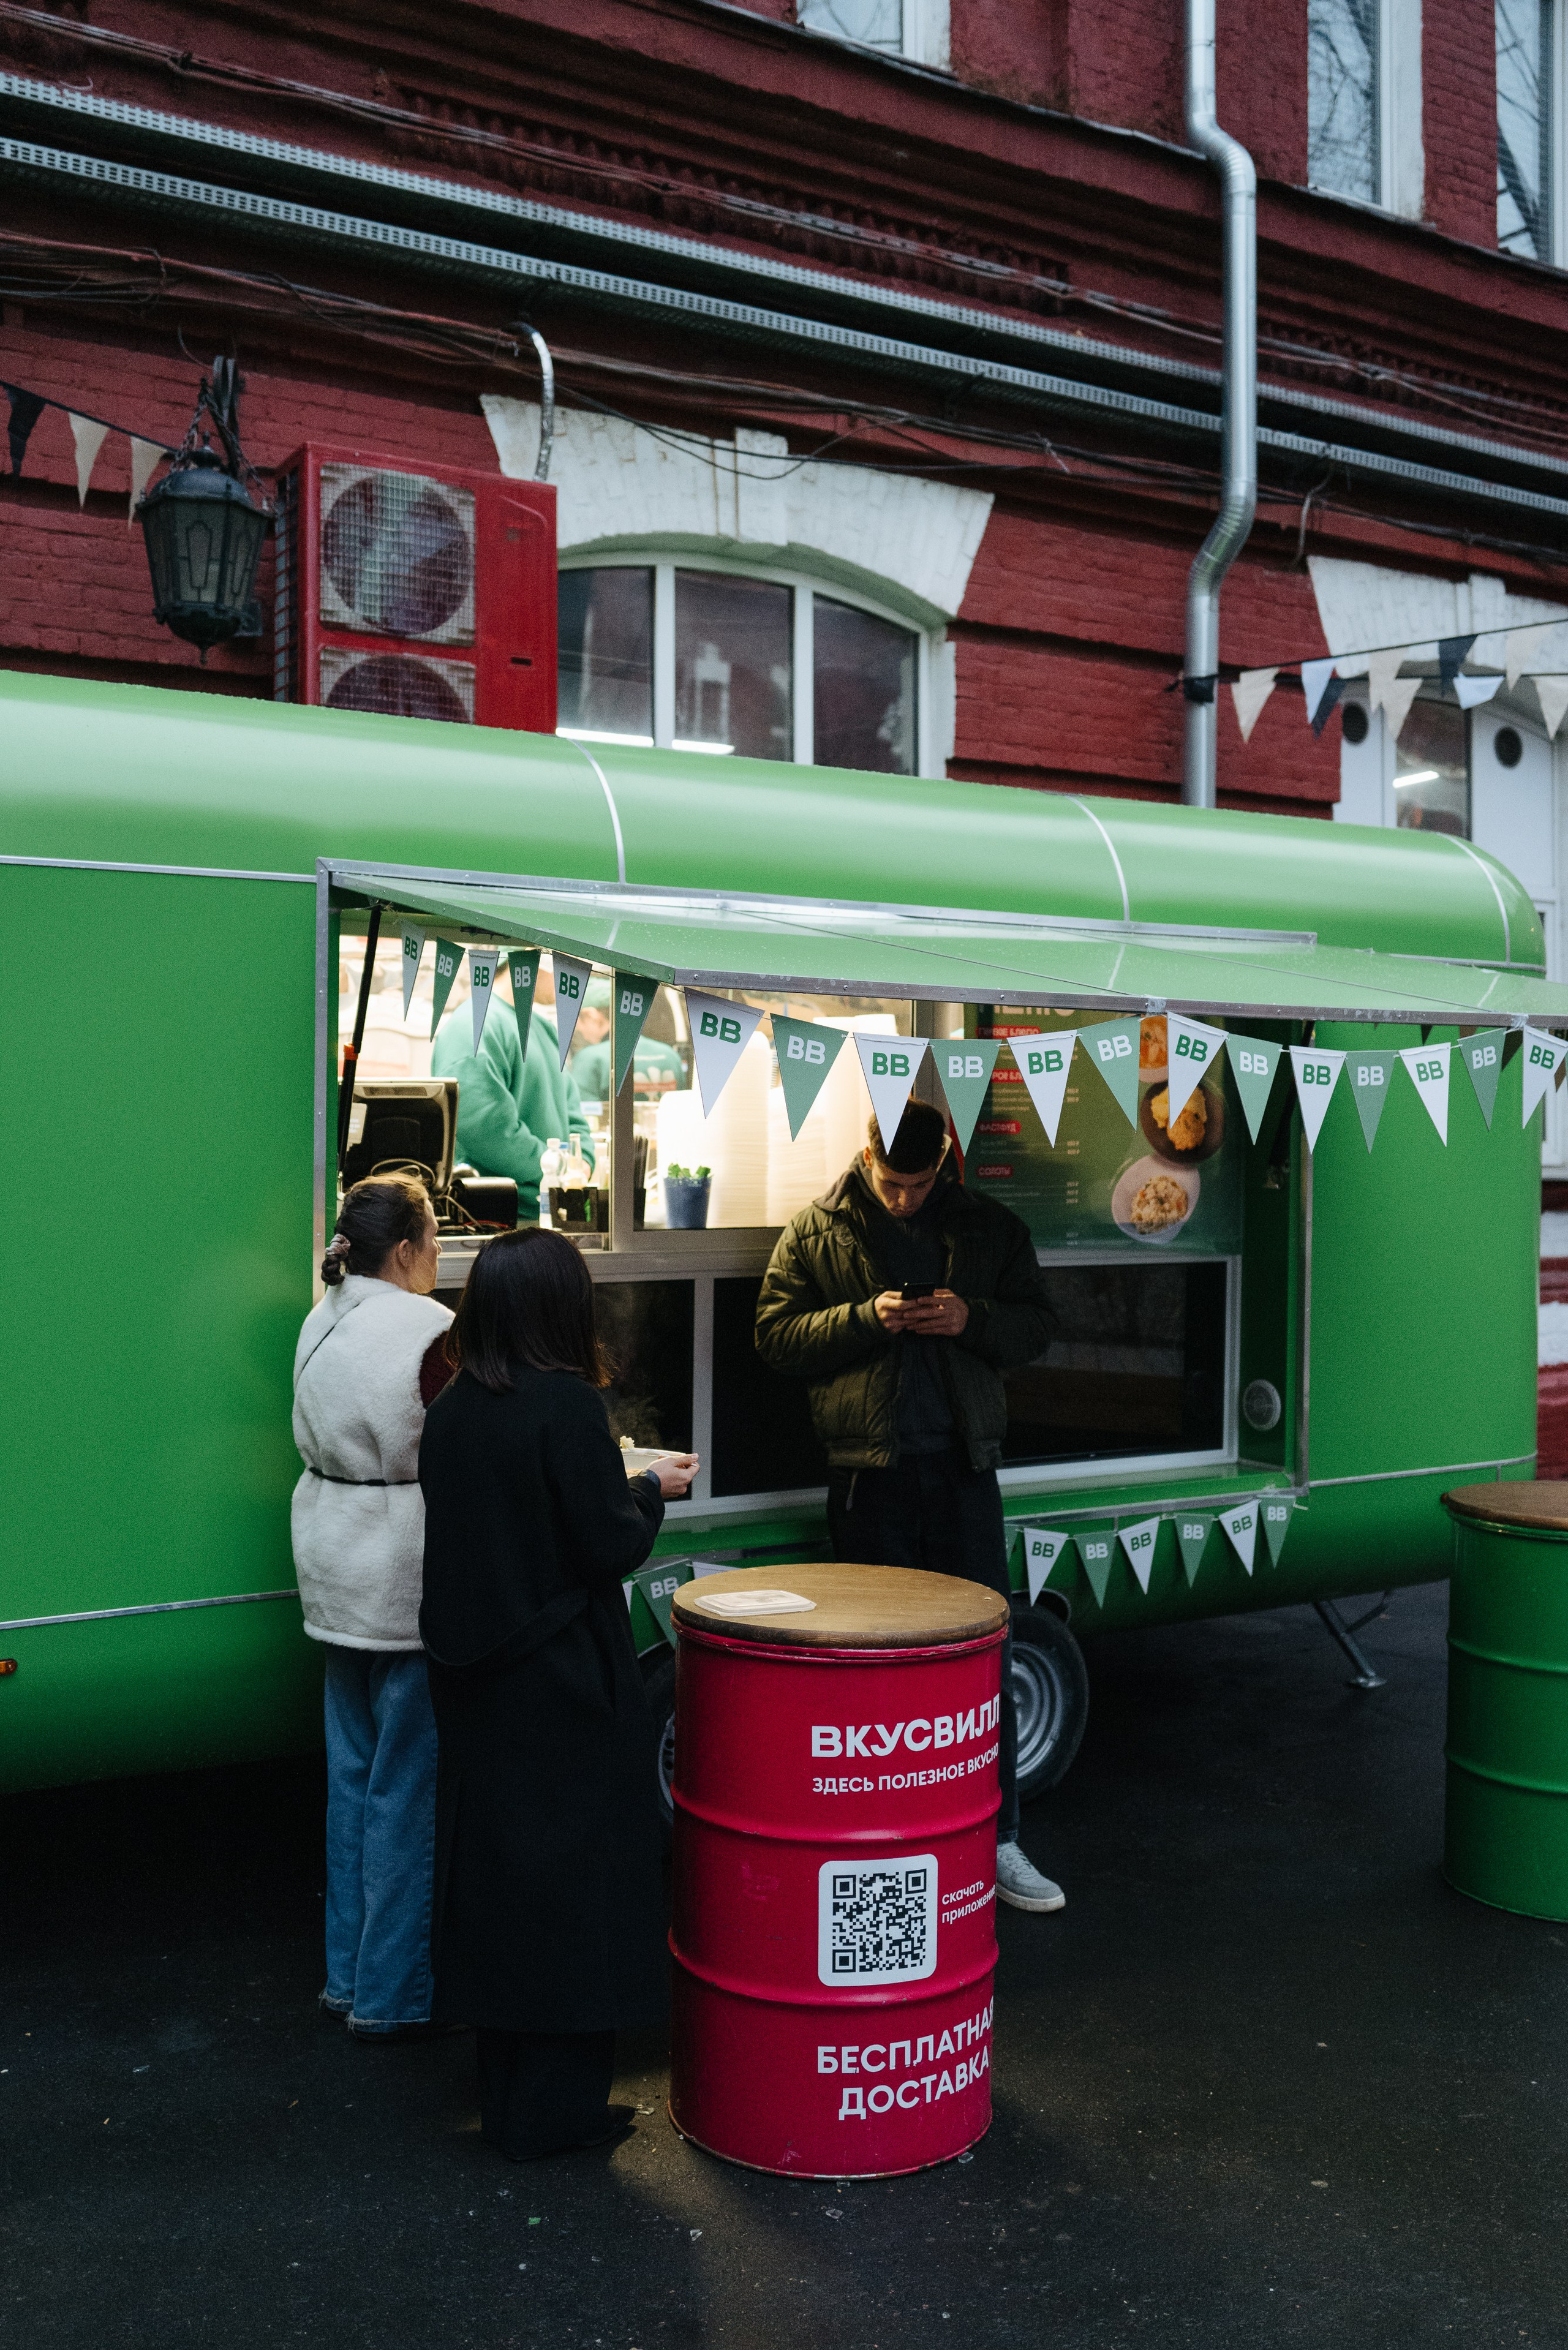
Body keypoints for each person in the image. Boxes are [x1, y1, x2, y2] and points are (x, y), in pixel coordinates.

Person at [418, 1229, 698, 2160]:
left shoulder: (453, 1408)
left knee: (501, 1893)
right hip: (563, 1685)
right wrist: (649, 1491)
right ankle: (559, 2113)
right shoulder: (568, 1405)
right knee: (576, 1898)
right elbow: (606, 1543)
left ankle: (509, 2100)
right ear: (559, 1308)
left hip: (475, 1686)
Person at [755, 1095, 1065, 1915]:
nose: (903, 1199)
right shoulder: (817, 1228)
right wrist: (868, 1317)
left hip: (965, 1468)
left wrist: (971, 1317)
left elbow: (1038, 1326)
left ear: (944, 1165)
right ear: (867, 1157)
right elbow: (775, 1338)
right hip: (869, 1475)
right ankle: (881, 1847)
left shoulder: (989, 1226)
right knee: (872, 1670)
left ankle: (998, 1840)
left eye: (919, 1184)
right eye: (891, 1183)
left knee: (984, 1658)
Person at [291, 1172, 454, 2040]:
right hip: (400, 1571)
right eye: (434, 1238)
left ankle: (346, 1979)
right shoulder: (430, 1329)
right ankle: (393, 1995)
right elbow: (458, 1444)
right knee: (404, 1791)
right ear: (404, 1249)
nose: (439, 1254)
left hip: (332, 1561)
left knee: (351, 1781)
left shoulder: (322, 1313)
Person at [431, 970, 594, 1221]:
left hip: (548, 1212)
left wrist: (581, 1161)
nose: (576, 979)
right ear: (534, 956)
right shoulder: (475, 1024)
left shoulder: (544, 1028)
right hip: (495, 1219)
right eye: (567, 964)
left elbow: (573, 1115)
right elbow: (486, 1128)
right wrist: (559, 1169)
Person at [569, 978, 686, 1105]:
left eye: (577, 1021)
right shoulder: (670, 1055)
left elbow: (584, 1112)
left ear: (592, 1015)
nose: (579, 1031)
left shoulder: (590, 1059)